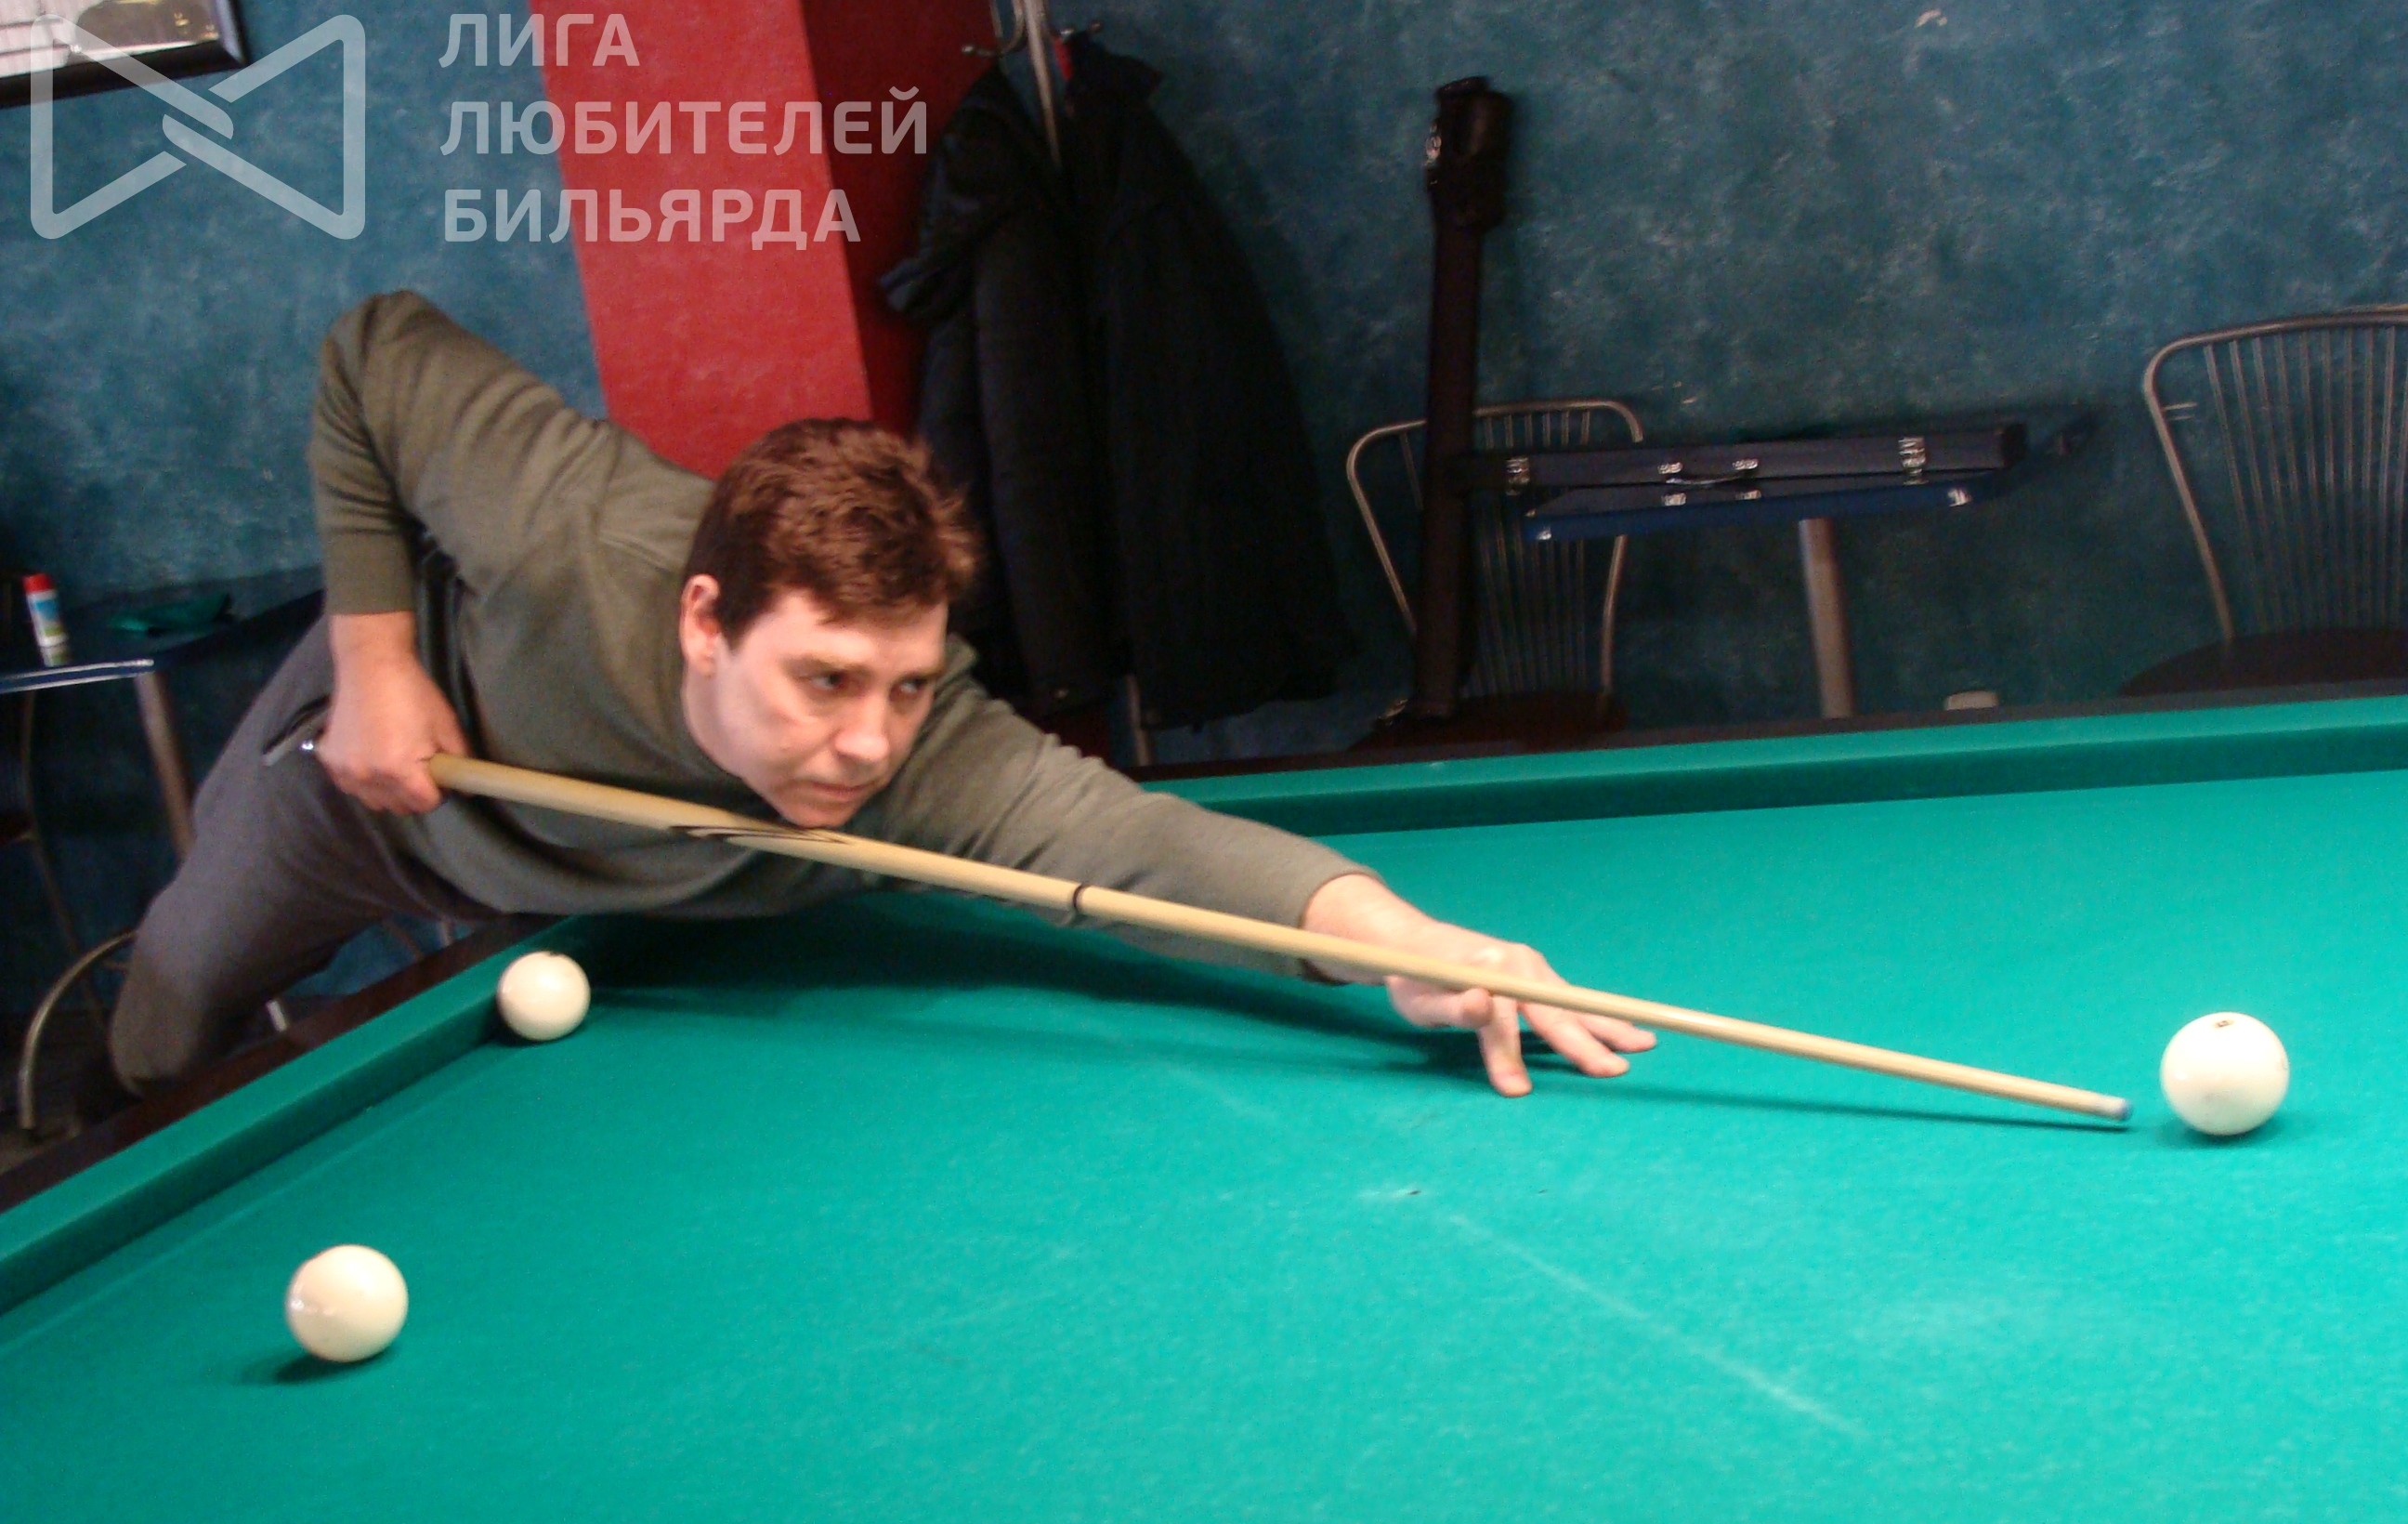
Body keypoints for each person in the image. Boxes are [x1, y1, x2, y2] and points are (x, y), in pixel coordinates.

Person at [105, 292, 1654, 1106]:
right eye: (825, 680)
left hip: (574, 874)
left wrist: (1405, 944)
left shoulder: (919, 748)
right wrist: (380, 659)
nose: (867, 743)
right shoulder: (566, 536)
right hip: (373, 786)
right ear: (705, 623)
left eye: (904, 686)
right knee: (172, 1011)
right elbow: (374, 351)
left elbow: (1140, 850)